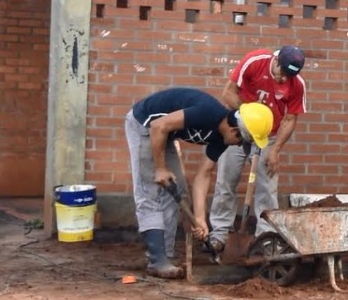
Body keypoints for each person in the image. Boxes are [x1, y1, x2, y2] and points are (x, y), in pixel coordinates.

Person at [124, 87, 273, 279]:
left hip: (164, 134)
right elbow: (158, 126)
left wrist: (201, 218)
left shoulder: (221, 139)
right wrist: (160, 168)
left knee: (175, 190)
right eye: (240, 140)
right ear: (234, 130)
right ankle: (157, 260)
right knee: (151, 192)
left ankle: (164, 255)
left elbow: (203, 174)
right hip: (144, 125)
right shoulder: (207, 112)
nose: (238, 145)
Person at [207, 45, 307, 253]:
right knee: (226, 180)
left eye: (289, 77)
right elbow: (228, 93)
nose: (283, 80)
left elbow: (290, 119)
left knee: (267, 189)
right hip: (238, 128)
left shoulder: (297, 84)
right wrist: (250, 116)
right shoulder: (255, 61)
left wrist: (276, 150)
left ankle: (265, 239)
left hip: (268, 137)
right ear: (276, 61)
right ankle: (219, 234)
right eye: (282, 74)